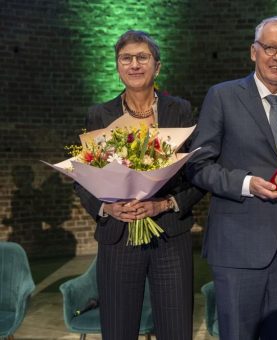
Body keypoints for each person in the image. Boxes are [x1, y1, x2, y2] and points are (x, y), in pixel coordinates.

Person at [186, 16, 277, 339]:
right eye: (270, 48)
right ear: (253, 51)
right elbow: (198, 166)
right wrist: (247, 184)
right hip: (237, 251)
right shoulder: (222, 97)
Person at [74, 30, 204, 340]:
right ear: (118, 66)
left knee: (176, 330)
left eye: (142, 57)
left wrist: (166, 203)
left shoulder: (181, 110)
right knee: (118, 330)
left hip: (170, 234)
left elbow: (199, 172)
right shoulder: (99, 114)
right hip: (119, 238)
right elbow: (82, 179)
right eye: (126, 58)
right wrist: (108, 207)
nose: (134, 64)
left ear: (157, 67)